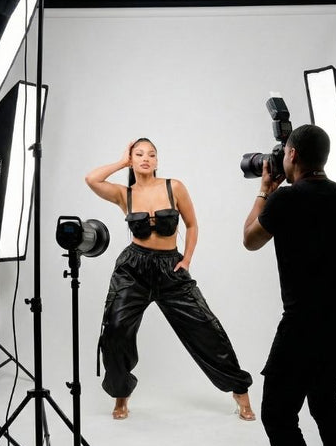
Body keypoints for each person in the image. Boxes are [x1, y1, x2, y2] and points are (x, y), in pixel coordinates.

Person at [85, 138, 256, 421]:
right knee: (115, 331)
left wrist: (186, 259)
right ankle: (121, 394)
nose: (145, 158)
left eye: (151, 154)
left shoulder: (173, 186)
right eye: (139, 154)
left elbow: (191, 224)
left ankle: (240, 391)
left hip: (170, 269)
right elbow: (91, 179)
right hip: (133, 270)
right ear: (131, 159)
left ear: (157, 161)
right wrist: (121, 161)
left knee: (206, 327)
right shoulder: (123, 194)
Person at [243, 125, 336, 446]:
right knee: (324, 399)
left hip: (304, 319)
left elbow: (250, 240)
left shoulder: (284, 199)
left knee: (276, 415)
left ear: (291, 154)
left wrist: (265, 191)